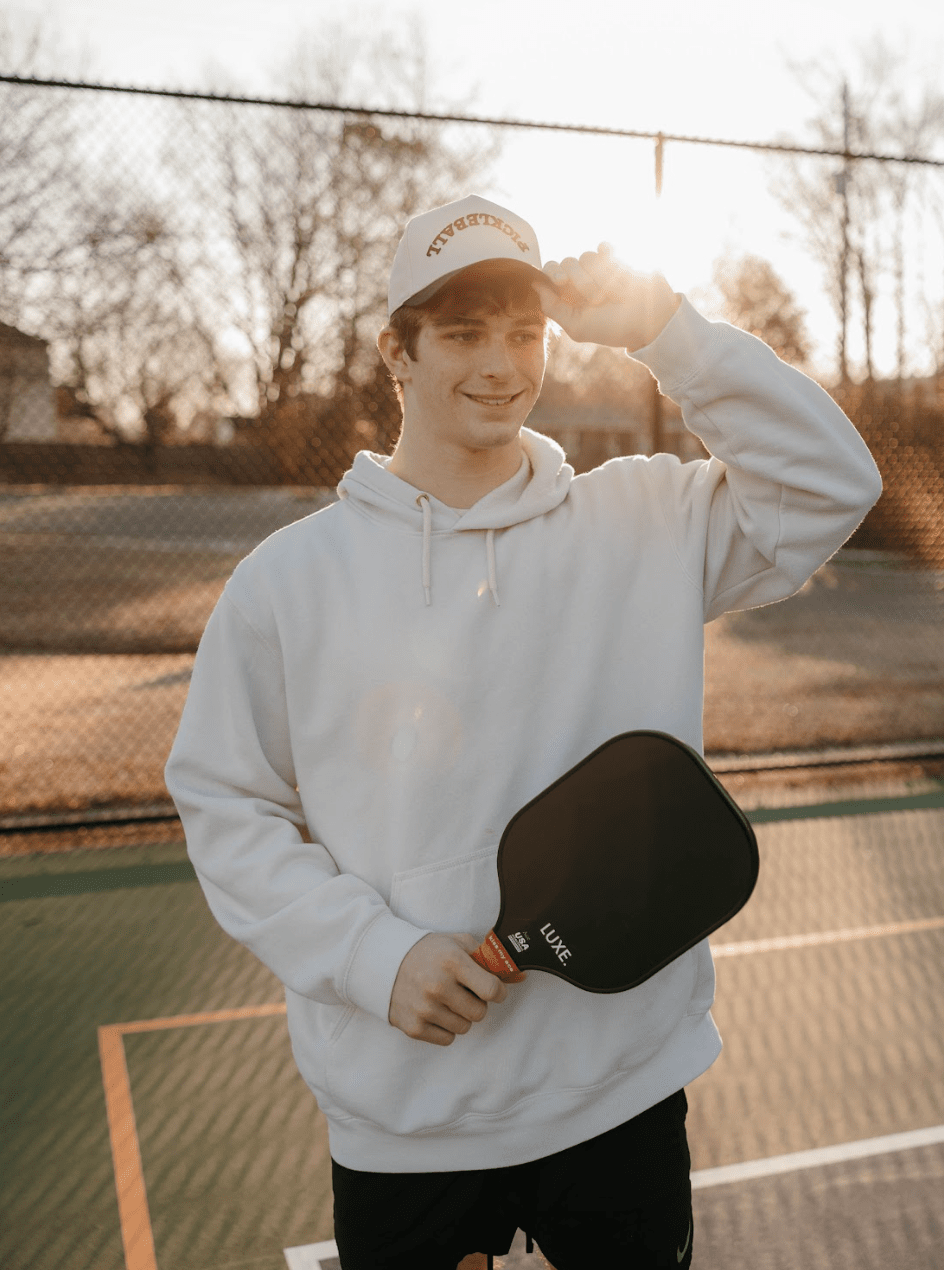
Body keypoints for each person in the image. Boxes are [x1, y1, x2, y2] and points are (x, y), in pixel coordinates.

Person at [165, 194, 882, 1269]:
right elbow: (228, 804)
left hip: (618, 1094)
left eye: (523, 331)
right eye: (463, 334)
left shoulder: (645, 520)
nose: (500, 364)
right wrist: (373, 956)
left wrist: (666, 330)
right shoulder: (286, 583)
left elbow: (832, 483)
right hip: (406, 1117)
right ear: (396, 352)